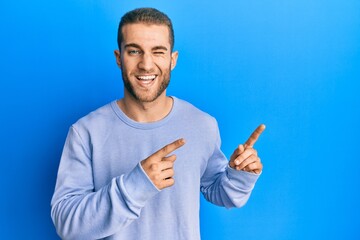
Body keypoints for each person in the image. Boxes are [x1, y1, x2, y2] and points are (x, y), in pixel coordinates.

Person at [51, 7, 265, 240]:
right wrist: (135, 185)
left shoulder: (202, 125)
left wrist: (239, 176)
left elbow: (218, 192)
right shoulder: (85, 132)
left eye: (158, 52)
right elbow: (67, 224)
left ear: (172, 60)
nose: (146, 64)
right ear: (118, 58)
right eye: (134, 51)